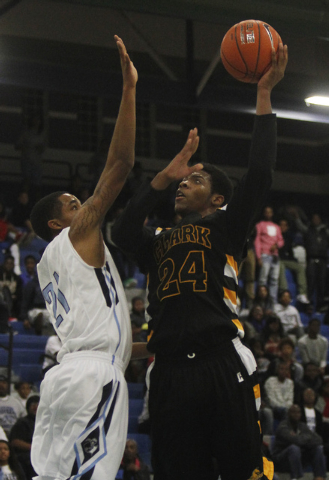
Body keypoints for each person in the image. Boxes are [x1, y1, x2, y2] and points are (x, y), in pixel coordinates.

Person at [112, 44, 288, 480]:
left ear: (217, 199)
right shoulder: (157, 240)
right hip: (169, 370)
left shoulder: (225, 227)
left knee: (243, 471)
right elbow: (122, 232)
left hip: (220, 360)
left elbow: (261, 173)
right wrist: (160, 179)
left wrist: (264, 94)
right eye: (183, 179)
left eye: (195, 179)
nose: (184, 184)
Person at [29, 36, 146, 480]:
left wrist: (170, 342)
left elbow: (106, 347)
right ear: (60, 224)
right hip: (90, 380)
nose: (85, 209)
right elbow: (120, 164)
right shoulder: (77, 236)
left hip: (67, 378)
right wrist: (129, 89)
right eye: (74, 204)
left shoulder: (51, 265)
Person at [271, 404, 326, 480]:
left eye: (298, 412)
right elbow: (295, 441)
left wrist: (302, 437)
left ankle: (319, 477)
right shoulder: (283, 426)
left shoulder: (302, 426)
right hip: (282, 460)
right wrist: (306, 438)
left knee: (318, 448)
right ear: (288, 413)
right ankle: (296, 478)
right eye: (293, 412)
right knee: (294, 448)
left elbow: (319, 439)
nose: (296, 414)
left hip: (298, 457)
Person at [255, 206, 284, 303]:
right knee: (263, 280)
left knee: (274, 280)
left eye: (270, 212)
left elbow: (281, 240)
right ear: (264, 213)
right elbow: (257, 241)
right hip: (265, 255)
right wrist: (258, 256)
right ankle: (260, 302)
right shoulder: (260, 225)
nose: (268, 214)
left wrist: (276, 245)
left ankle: (273, 303)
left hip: (275, 256)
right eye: (266, 212)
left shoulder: (276, 227)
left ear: (272, 213)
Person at [278, 218, 309, 304]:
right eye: (281, 225)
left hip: (287, 259)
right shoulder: (276, 235)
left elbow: (290, 251)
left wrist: (293, 259)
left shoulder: (289, 237)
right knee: (280, 266)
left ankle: (302, 293)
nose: (282, 227)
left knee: (300, 268)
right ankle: (284, 292)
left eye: (285, 225)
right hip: (278, 259)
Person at [10, 395, 40, 480]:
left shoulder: (46, 423)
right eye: (33, 404)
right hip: (26, 457)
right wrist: (34, 448)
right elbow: (15, 442)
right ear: (28, 407)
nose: (36, 407)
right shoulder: (22, 422)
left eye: (38, 404)